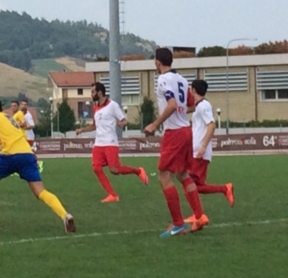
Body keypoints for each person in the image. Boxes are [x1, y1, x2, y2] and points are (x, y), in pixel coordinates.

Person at [0, 95, 75, 233]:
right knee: (41, 191)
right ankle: (65, 215)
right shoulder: (9, 118)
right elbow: (8, 146)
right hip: (27, 155)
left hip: (10, 156)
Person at [144, 48, 207, 237]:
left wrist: (155, 124)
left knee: (164, 176)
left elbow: (172, 105)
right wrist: (180, 112)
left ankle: (178, 224)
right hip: (186, 130)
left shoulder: (163, 79)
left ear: (157, 62)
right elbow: (191, 104)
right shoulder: (182, 79)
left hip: (174, 133)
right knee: (182, 174)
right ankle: (199, 216)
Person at [77, 82, 148, 202]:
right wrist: (82, 130)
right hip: (98, 143)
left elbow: (124, 121)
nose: (91, 94)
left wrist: (120, 123)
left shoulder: (112, 105)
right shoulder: (95, 107)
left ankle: (138, 171)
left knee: (114, 170)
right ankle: (113, 195)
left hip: (110, 142)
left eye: (93, 92)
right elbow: (94, 125)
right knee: (96, 168)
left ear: (100, 92)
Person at [184, 80, 234, 220]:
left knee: (189, 184)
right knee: (195, 186)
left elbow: (211, 125)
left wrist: (203, 147)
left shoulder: (203, 106)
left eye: (190, 90)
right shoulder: (199, 105)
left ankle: (198, 215)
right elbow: (189, 109)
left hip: (200, 153)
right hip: (196, 152)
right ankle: (224, 189)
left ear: (194, 90)